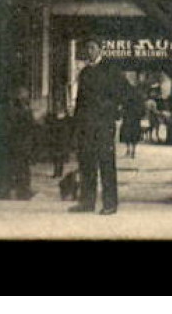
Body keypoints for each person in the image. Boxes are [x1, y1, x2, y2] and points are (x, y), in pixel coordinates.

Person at [70, 41, 134, 214]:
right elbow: (80, 101)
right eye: (87, 48)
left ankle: (110, 204)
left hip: (104, 125)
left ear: (100, 49)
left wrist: (112, 109)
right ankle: (86, 202)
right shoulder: (84, 72)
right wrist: (76, 125)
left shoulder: (111, 70)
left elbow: (126, 93)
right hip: (86, 125)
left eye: (92, 47)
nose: (89, 51)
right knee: (86, 163)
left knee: (106, 163)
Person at [0, 86, 37, 200]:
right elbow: (29, 126)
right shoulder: (23, 110)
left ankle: (7, 191)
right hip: (19, 142)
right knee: (21, 168)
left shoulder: (8, 109)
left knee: (11, 167)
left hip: (12, 142)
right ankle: (22, 191)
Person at [119, 86, 146, 159]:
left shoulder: (126, 99)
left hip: (128, 119)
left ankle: (128, 150)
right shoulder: (139, 99)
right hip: (135, 120)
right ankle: (133, 150)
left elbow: (123, 109)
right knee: (134, 135)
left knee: (127, 134)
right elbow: (143, 111)